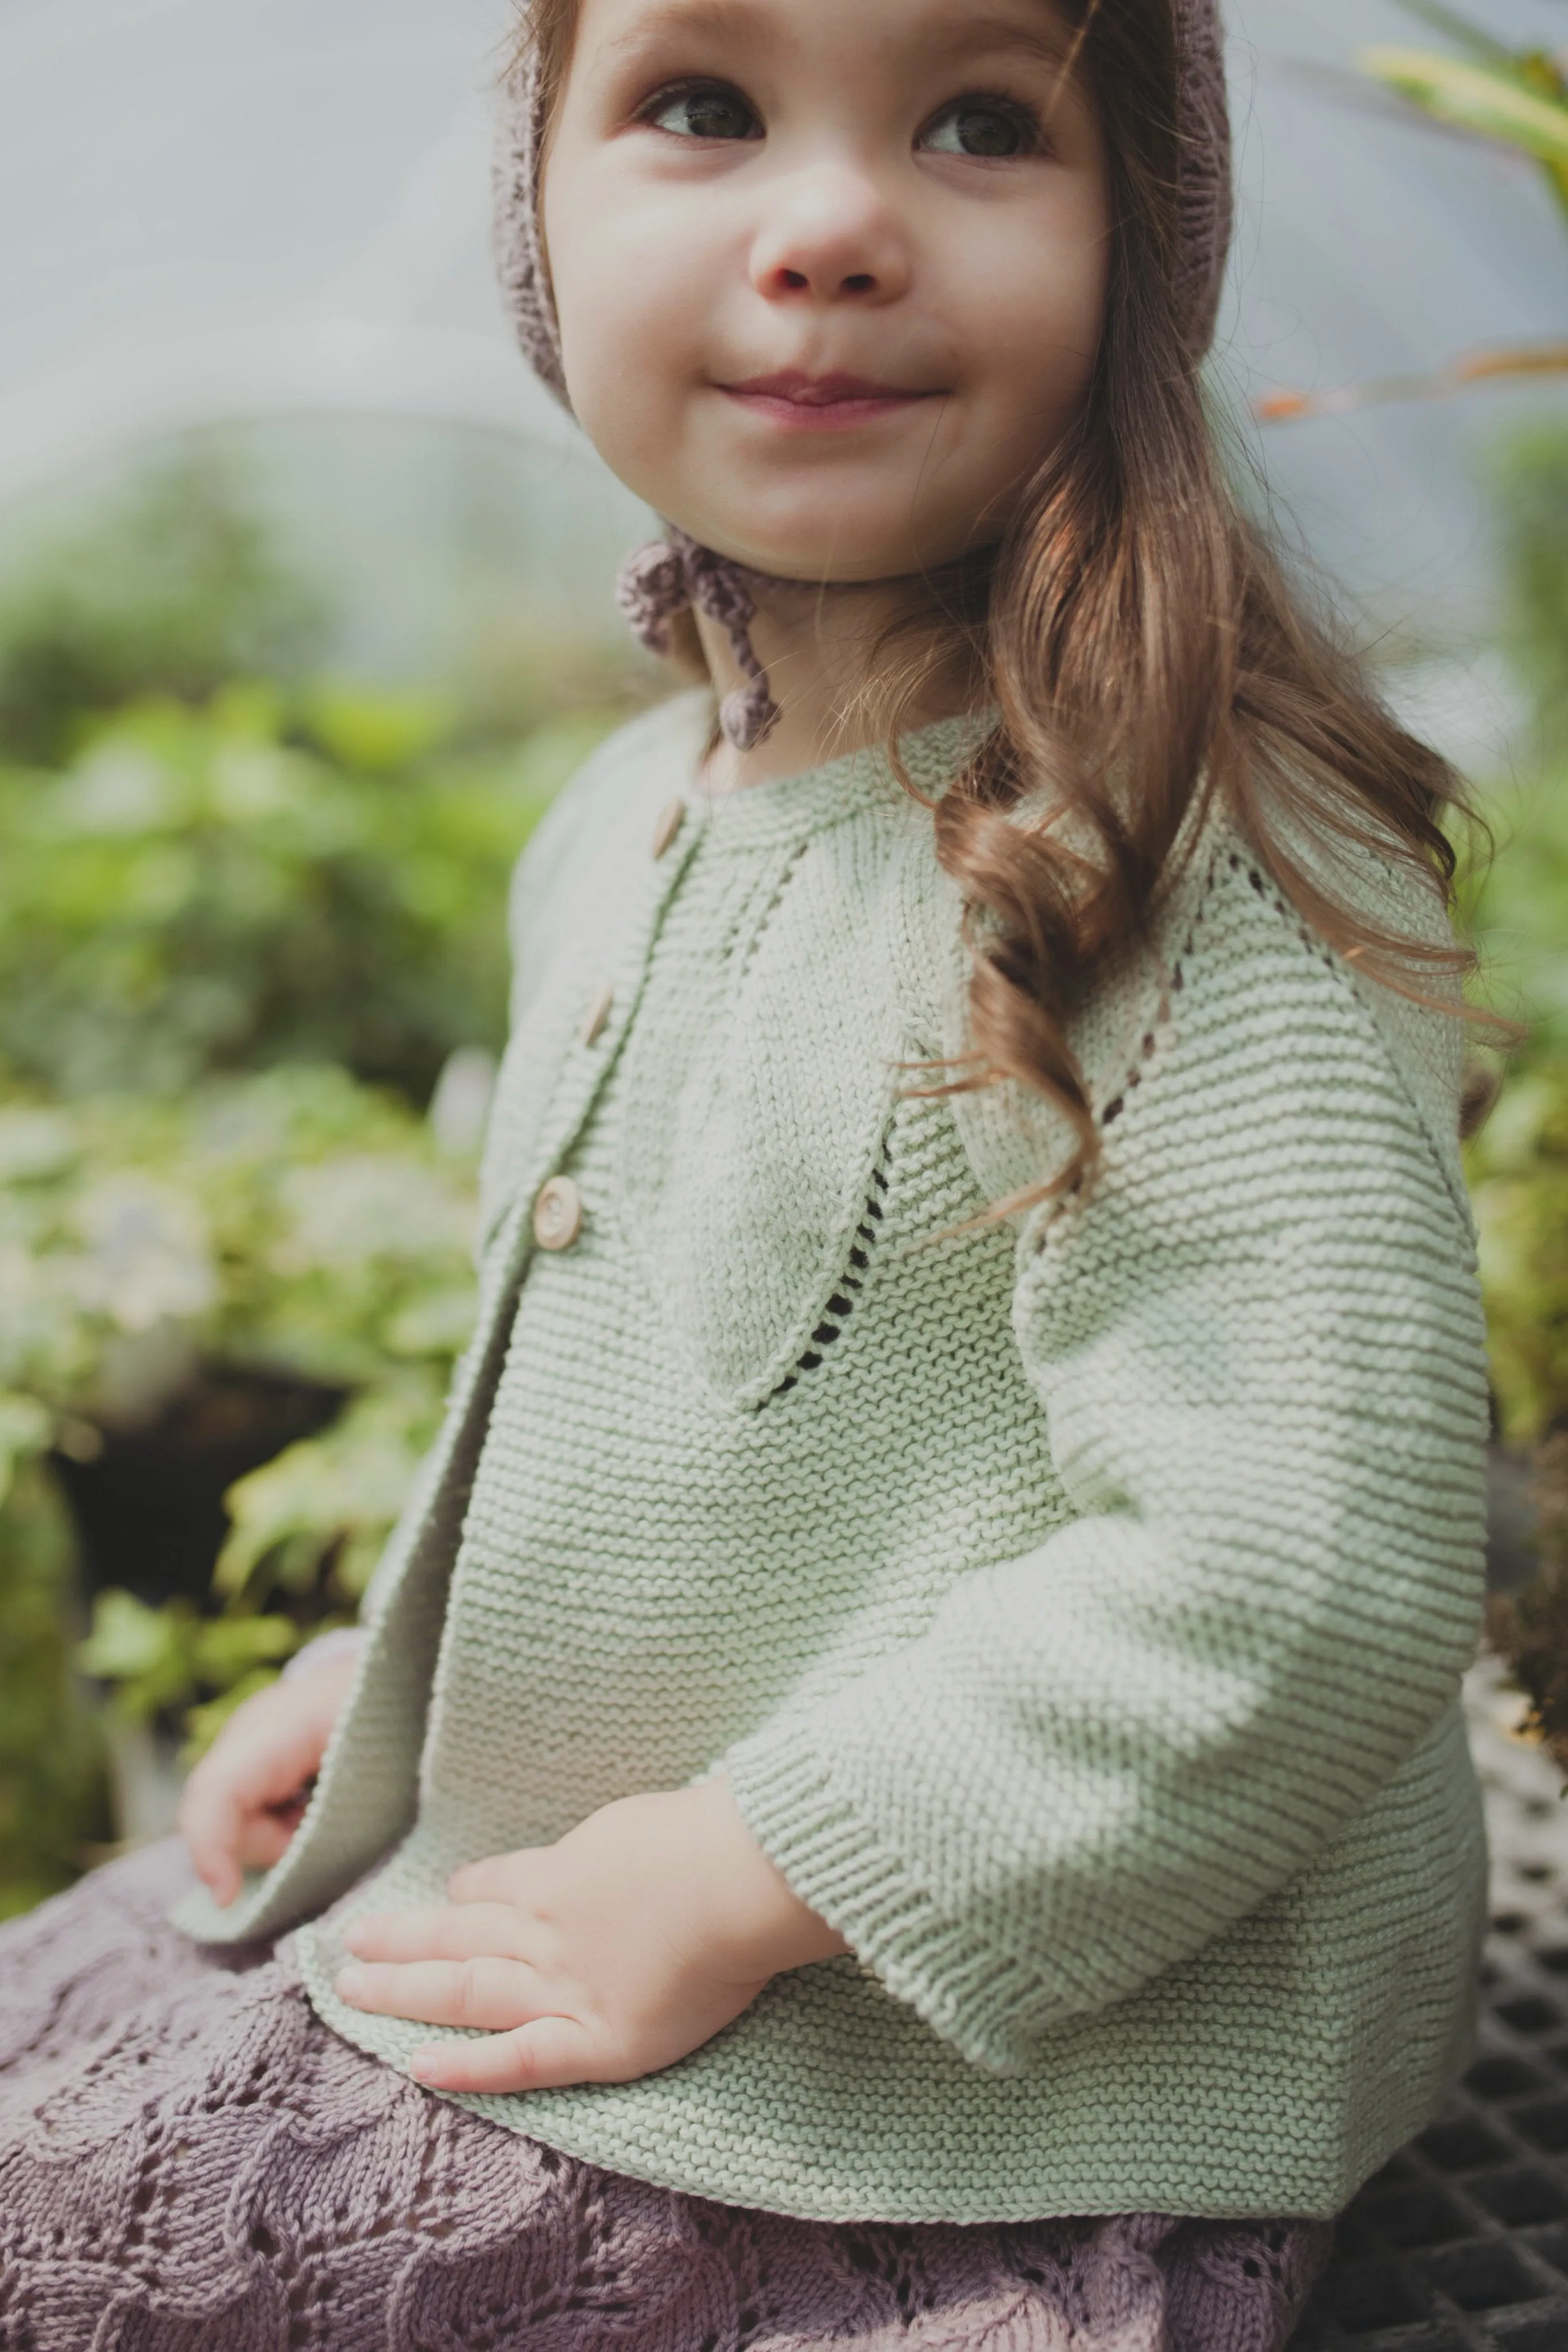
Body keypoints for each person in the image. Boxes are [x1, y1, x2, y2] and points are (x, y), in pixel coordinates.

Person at [0, 0, 1492, 2343]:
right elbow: (659, 1425)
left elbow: (1300, 1555)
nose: (827, 229)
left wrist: (749, 1869)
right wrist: (407, 1674)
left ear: (1142, 251)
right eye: (702, 104)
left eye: (981, 122)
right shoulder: (628, 816)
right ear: (535, 215)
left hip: (1009, 2072)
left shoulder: (1174, 860)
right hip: (659, 1902)